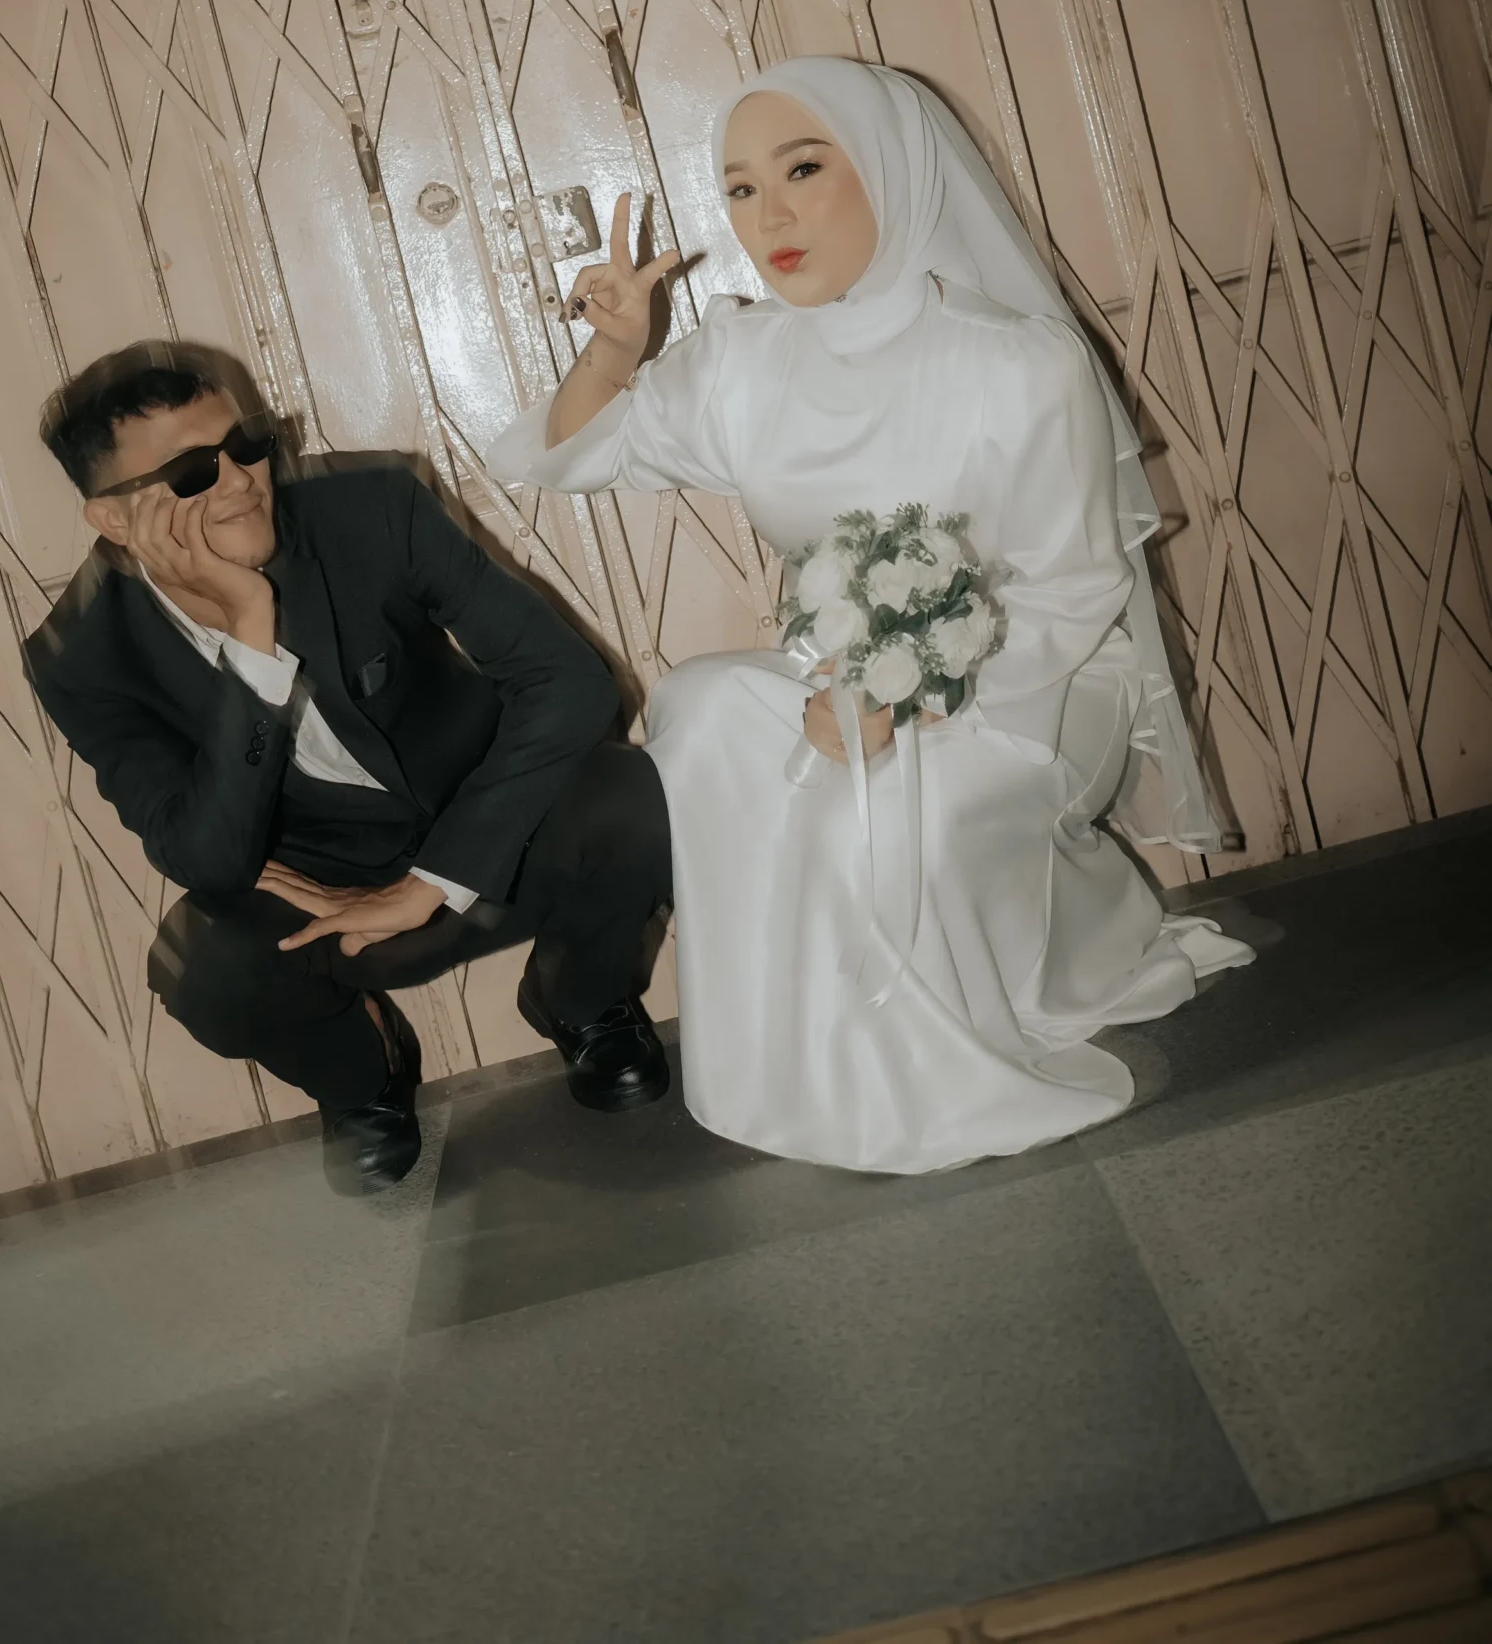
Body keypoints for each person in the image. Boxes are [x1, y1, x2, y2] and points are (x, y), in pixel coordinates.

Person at [488, 58, 1253, 1174]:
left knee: (890, 810)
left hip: (1038, 683)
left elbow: (1073, 592)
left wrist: (914, 696)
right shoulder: (746, 359)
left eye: (802, 169)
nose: (769, 217)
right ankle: (789, 1051)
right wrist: (616, 350)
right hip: (839, 684)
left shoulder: (1020, 362)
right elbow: (576, 454)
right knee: (703, 708)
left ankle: (918, 1049)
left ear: (891, 168)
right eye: (740, 189)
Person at [26, 343, 672, 1197]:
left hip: (489, 824)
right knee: (201, 969)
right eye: (190, 471)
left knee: (634, 795)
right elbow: (202, 857)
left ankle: (581, 998)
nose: (241, 479)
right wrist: (249, 630)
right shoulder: (82, 656)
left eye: (246, 443)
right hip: (324, 890)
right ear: (114, 520)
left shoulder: (369, 504)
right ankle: (365, 1078)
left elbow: (568, 682)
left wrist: (435, 878)